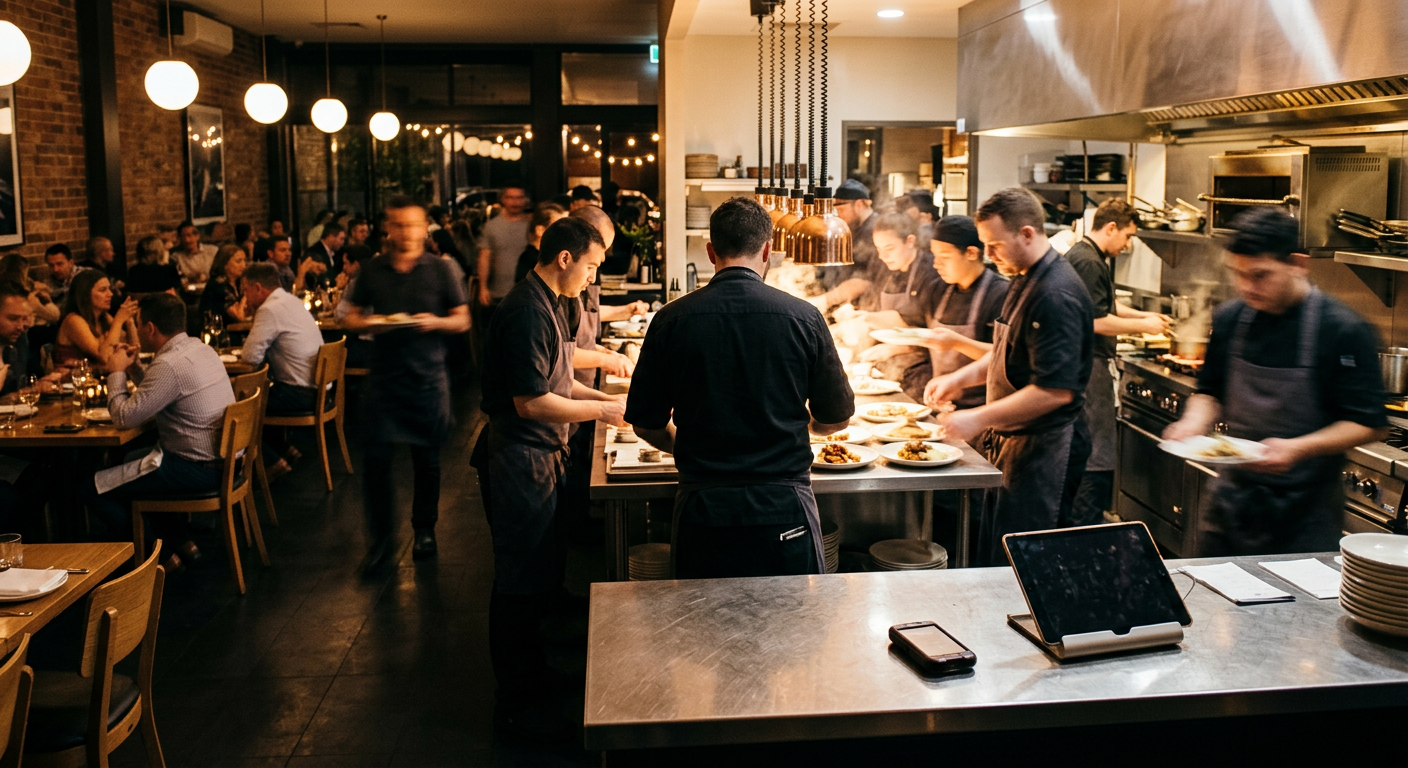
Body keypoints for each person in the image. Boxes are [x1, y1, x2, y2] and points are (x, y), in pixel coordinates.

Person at [627, 197, 853, 579]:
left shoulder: (671, 319)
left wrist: (685, 444)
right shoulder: (805, 317)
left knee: (702, 625)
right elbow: (837, 417)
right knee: (793, 627)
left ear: (711, 251)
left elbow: (645, 423)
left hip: (702, 506)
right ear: (767, 250)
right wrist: (808, 429)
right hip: (783, 505)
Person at [1163, 207, 1388, 555]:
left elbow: (1369, 423)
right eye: (1237, 274)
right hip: (1232, 504)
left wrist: (1298, 448)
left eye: (1260, 275)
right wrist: (1192, 423)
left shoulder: (1342, 329)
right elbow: (1209, 391)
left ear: (1298, 263)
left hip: (1304, 514)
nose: (1246, 287)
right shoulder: (1230, 318)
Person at [477, 217, 624, 737]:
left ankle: (534, 679)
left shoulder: (551, 302)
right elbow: (532, 401)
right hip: (520, 459)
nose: (592, 278)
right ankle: (515, 704)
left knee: (537, 577)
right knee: (518, 585)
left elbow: (559, 380)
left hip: (541, 456)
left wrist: (608, 399)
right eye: (590, 266)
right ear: (565, 258)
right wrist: (604, 416)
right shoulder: (525, 311)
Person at [928, 188, 1094, 566]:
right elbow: (1006, 354)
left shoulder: (1056, 293)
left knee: (1029, 561)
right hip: (1015, 443)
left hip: (1046, 449)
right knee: (1002, 553)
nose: (988, 255)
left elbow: (1055, 391)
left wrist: (976, 417)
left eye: (994, 245)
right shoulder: (1023, 276)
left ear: (1027, 234)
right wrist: (959, 379)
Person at [341, 196, 470, 568]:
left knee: (426, 462)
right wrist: (368, 323)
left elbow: (462, 319)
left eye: (413, 224)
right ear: (388, 228)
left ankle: (424, 529)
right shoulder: (373, 269)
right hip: (383, 380)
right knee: (376, 463)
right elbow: (349, 316)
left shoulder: (440, 269)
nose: (406, 232)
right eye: (398, 224)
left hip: (427, 378)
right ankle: (381, 541)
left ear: (424, 227)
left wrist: (435, 322)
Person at [88, 293, 235, 571]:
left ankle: (158, 557)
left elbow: (123, 417)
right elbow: (158, 396)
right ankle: (180, 542)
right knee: (134, 456)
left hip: (196, 470)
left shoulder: (168, 364)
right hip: (222, 463)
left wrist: (116, 372)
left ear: (150, 328)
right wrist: (135, 370)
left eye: (139, 324)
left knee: (91, 488)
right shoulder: (199, 348)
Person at [1063, 198, 1170, 527]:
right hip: (1088, 367)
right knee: (1095, 454)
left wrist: (1144, 315)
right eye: (1127, 236)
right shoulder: (1088, 261)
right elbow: (1096, 320)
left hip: (1090, 366)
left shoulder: (1090, 256)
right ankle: (1085, 529)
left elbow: (1105, 303)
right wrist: (1144, 326)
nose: (1127, 245)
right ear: (1110, 228)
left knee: (1095, 450)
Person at [240, 262, 325, 480]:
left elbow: (250, 357)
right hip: (318, 390)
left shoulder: (270, 309)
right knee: (261, 394)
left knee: (240, 408)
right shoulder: (290, 300)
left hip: (299, 395)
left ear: (258, 288)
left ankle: (271, 462)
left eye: (245, 291)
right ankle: (285, 450)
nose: (245, 298)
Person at [917, 216, 1009, 408]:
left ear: (971, 253)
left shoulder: (1000, 294)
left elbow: (1005, 358)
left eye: (944, 257)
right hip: (941, 402)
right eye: (934, 256)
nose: (936, 264)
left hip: (983, 408)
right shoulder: (937, 290)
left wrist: (957, 343)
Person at [855, 213, 943, 387]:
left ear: (910, 241)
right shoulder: (886, 269)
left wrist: (898, 349)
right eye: (879, 249)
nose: (883, 256)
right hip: (888, 366)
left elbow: (937, 336)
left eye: (889, 248)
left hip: (923, 371)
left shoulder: (931, 273)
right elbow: (874, 310)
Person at [809, 178, 880, 311]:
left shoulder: (877, 230)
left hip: (862, 309)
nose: (839, 216)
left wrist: (826, 300)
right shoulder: (850, 228)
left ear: (859, 205)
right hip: (840, 304)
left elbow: (865, 280)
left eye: (841, 210)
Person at [54, 270, 139, 372]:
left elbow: (134, 353)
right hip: (71, 382)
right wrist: (119, 321)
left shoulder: (104, 317)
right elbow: (105, 357)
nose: (110, 294)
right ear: (85, 295)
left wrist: (129, 322)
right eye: (103, 290)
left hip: (97, 380)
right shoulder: (73, 320)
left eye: (109, 289)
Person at [476, 181, 531, 309]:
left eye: (519, 198)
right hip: (499, 292)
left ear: (525, 200)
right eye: (510, 198)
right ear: (502, 199)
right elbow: (484, 258)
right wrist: (483, 288)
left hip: (528, 293)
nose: (515, 202)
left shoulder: (532, 226)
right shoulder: (491, 226)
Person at [0, 252, 59, 326]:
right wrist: (47, 302)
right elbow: (55, 316)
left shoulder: (4, 289)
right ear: (23, 273)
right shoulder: (27, 297)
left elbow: (42, 287)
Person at [515, 203, 567, 284]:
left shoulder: (552, 257)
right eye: (559, 227)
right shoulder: (529, 260)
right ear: (540, 230)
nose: (565, 232)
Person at [199, 244, 249, 326]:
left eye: (244, 261)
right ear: (225, 264)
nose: (243, 265)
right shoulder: (217, 286)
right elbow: (240, 317)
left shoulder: (239, 282)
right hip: (217, 331)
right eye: (238, 261)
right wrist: (245, 297)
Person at [44, 244, 90, 308]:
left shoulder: (86, 276)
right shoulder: (48, 285)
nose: (55, 269)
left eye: (59, 264)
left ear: (71, 263)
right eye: (51, 265)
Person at [303, 222, 345, 289]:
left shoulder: (337, 253)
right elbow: (319, 280)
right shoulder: (314, 252)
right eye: (341, 239)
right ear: (331, 237)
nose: (343, 242)